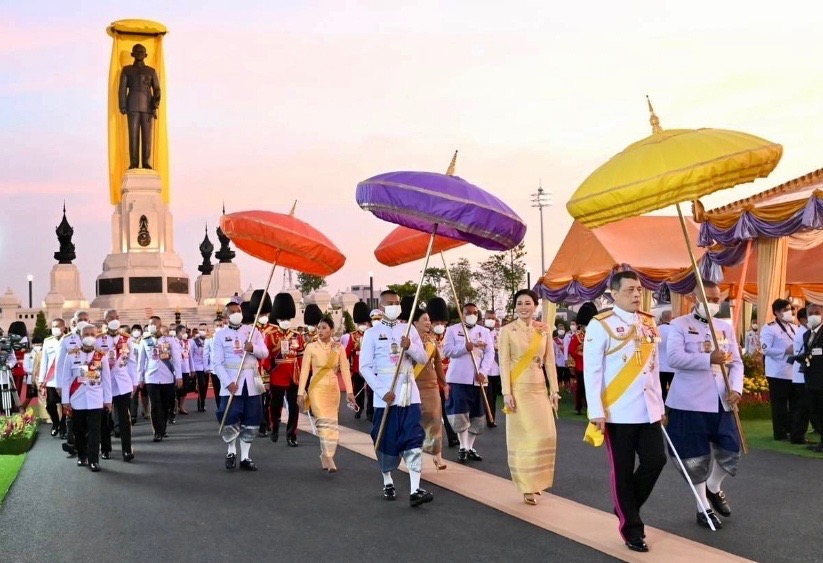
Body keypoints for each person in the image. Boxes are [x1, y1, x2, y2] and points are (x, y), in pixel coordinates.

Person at [583, 271, 666, 553]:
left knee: (656, 460)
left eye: (639, 289)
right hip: (617, 412)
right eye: (630, 290)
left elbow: (652, 370)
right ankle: (632, 528)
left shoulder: (649, 323)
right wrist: (597, 411)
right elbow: (592, 372)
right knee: (622, 471)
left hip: (648, 410)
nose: (636, 294)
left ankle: (624, 505)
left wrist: (660, 406)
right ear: (614, 294)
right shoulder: (600, 324)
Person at [666, 281, 744, 530]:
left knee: (731, 450)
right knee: (694, 457)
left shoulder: (725, 327)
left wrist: (737, 388)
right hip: (689, 403)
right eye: (708, 298)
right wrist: (707, 358)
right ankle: (703, 507)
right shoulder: (679, 325)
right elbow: (674, 359)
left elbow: (737, 363)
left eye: (716, 298)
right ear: (694, 298)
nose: (713, 303)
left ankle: (713, 486)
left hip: (721, 400)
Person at [360, 290, 433, 506]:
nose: (394, 306)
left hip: (409, 393)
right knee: (384, 439)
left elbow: (423, 358)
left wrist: (410, 347)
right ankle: (388, 480)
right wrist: (382, 391)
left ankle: (415, 489)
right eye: (389, 303)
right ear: (381, 307)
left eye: (397, 303)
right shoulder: (372, 334)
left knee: (413, 436)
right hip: (385, 396)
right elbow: (364, 367)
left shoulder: (408, 328)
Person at [499, 289, 560, 506]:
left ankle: (537, 481)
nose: (523, 307)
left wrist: (554, 390)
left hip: (539, 389)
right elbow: (504, 362)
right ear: (515, 307)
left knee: (546, 435)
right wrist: (506, 392)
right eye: (519, 303)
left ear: (535, 306)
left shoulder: (544, 330)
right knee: (525, 439)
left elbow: (550, 361)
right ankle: (526, 486)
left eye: (528, 303)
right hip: (519, 390)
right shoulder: (507, 330)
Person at [213, 299, 269, 471]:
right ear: (226, 315)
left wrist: (252, 348)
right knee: (229, 417)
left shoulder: (253, 332)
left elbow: (264, 353)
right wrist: (228, 382)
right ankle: (231, 452)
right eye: (232, 311)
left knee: (251, 418)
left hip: (251, 381)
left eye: (238, 310)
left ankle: (245, 457)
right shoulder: (220, 335)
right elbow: (216, 363)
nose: (236, 313)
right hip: (231, 383)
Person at [298, 316, 355, 472]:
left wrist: (349, 392)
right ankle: (329, 458)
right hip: (316, 389)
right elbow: (304, 371)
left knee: (332, 424)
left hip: (333, 389)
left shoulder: (338, 348)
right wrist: (300, 392)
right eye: (319, 327)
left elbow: (345, 370)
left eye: (324, 327)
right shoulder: (311, 347)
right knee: (323, 423)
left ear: (332, 330)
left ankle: (325, 454)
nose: (320, 330)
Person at [443, 303, 495, 463]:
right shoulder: (452, 330)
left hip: (478, 379)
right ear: (462, 314)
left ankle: (470, 446)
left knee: (477, 416)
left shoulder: (484, 332)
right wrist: (464, 348)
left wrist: (483, 372)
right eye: (467, 312)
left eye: (474, 312)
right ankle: (462, 448)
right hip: (458, 378)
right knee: (460, 414)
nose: (471, 315)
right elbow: (447, 351)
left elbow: (490, 353)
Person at [60, 322, 112, 472]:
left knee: (95, 431)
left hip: (96, 398)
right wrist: (65, 401)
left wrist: (108, 400)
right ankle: (82, 456)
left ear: (96, 336)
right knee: (79, 430)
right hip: (78, 399)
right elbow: (66, 379)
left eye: (92, 334)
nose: (89, 337)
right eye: (86, 335)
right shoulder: (72, 354)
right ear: (80, 336)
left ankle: (94, 460)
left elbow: (106, 379)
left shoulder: (101, 355)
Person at [97, 309, 137, 462]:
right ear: (105, 321)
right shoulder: (98, 339)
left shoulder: (127, 339)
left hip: (122, 383)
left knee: (124, 419)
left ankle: (126, 450)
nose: (114, 319)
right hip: (103, 384)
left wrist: (134, 382)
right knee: (104, 419)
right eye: (111, 317)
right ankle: (105, 448)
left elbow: (132, 362)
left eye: (117, 317)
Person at [411, 307, 448, 471]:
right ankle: (414, 455)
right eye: (424, 319)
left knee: (435, 418)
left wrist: (444, 383)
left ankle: (437, 455)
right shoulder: (408, 341)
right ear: (415, 323)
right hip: (413, 384)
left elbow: (438, 363)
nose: (428, 322)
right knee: (416, 420)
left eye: (428, 319)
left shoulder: (432, 342)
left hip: (431, 385)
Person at [264, 292, 304, 446]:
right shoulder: (271, 335)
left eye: (287, 319)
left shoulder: (297, 335)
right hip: (277, 374)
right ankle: (274, 427)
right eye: (283, 319)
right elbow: (266, 358)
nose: (285, 321)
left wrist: (302, 377)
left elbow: (300, 357)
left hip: (293, 375)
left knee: (294, 407)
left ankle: (291, 435)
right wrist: (266, 377)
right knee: (275, 406)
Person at [137, 316, 183, 442]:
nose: (152, 325)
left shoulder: (169, 340)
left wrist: (178, 376)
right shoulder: (145, 340)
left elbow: (176, 359)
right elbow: (141, 361)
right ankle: (157, 431)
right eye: (150, 323)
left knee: (166, 404)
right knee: (155, 404)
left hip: (167, 376)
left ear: (160, 324)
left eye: (154, 323)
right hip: (151, 377)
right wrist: (139, 377)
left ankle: (163, 428)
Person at [760, 298, 797, 441]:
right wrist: (785, 351)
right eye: (785, 310)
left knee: (794, 402)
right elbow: (765, 349)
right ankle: (780, 432)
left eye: (790, 309)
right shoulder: (769, 328)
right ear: (777, 312)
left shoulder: (793, 327)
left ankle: (791, 429)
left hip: (793, 371)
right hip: (777, 372)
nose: (789, 312)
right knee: (780, 404)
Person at [56, 310, 90, 457]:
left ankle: (86, 445)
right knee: (71, 415)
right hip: (72, 385)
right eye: (80, 319)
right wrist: (59, 385)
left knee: (88, 417)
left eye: (85, 319)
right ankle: (72, 443)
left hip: (91, 383)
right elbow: (60, 364)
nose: (83, 321)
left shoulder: (94, 337)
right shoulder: (67, 339)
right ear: (74, 322)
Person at [428, 297, 459, 448]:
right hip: (432, 379)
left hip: (447, 379)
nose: (439, 325)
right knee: (433, 413)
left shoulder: (450, 336)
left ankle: (453, 437)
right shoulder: (425, 338)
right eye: (436, 323)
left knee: (449, 410)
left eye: (442, 323)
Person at [798, 304, 823, 453]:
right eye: (811, 313)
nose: (814, 316)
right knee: (816, 411)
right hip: (811, 378)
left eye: (817, 313)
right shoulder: (807, 334)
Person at [341, 302, 371, 419]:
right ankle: (358, 409)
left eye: (363, 323)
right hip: (356, 368)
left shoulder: (372, 334)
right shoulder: (353, 336)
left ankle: (370, 412)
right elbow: (347, 352)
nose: (362, 325)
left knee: (370, 392)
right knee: (358, 390)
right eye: (360, 323)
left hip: (370, 368)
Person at [39, 318, 67, 438]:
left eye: (58, 326)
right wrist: (41, 379)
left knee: (65, 404)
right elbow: (44, 361)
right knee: (50, 404)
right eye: (53, 326)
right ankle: (55, 423)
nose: (55, 328)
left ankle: (63, 427)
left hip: (65, 379)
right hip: (51, 379)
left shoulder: (69, 340)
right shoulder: (48, 341)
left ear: (64, 328)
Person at [570, 302, 598, 415]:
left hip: (594, 365)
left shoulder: (596, 332)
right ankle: (578, 407)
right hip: (581, 366)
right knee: (580, 388)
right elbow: (572, 350)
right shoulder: (577, 335)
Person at [790, 308, 813, 445]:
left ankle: (798, 434)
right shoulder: (804, 333)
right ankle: (797, 435)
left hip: (802, 375)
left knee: (803, 408)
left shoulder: (804, 331)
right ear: (804, 319)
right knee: (803, 408)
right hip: (802, 375)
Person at [484, 310, 502, 427]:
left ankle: (491, 418)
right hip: (484, 369)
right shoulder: (480, 332)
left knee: (493, 396)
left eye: (493, 318)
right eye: (489, 318)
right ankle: (487, 418)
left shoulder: (499, 334)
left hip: (496, 369)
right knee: (486, 395)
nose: (491, 320)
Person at [128, 324, 148, 424]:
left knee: (145, 393)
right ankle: (133, 415)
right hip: (132, 371)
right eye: (134, 329)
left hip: (144, 371)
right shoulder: (128, 341)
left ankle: (147, 411)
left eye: (138, 329)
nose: (136, 331)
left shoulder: (145, 340)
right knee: (134, 395)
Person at [175, 325, 194, 417]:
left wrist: (192, 368)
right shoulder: (173, 341)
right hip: (176, 369)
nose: (184, 334)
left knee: (184, 389)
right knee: (176, 389)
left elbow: (190, 356)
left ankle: (181, 406)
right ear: (178, 332)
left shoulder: (187, 342)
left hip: (185, 368)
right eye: (183, 332)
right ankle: (174, 406)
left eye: (185, 332)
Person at [205, 317, 224, 410]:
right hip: (215, 369)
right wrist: (206, 366)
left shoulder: (227, 337)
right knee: (217, 390)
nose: (219, 327)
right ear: (213, 327)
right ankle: (220, 408)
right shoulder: (210, 339)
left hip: (226, 368)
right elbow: (206, 354)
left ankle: (227, 408)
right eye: (217, 326)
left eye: (221, 325)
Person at [191, 323, 209, 412]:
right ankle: (201, 403)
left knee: (205, 386)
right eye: (201, 329)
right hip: (197, 366)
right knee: (201, 384)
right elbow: (190, 354)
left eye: (204, 329)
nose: (203, 331)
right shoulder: (194, 341)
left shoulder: (210, 340)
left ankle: (203, 401)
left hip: (207, 366)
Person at [658, 310, 674, 401]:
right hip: (672, 366)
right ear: (671, 318)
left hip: (660, 366)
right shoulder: (674, 330)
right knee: (673, 390)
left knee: (661, 390)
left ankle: (663, 408)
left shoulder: (656, 329)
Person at [553, 325, 571, 392]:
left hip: (567, 361)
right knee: (559, 375)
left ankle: (567, 387)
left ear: (565, 330)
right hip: (558, 361)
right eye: (559, 329)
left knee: (567, 375)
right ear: (557, 330)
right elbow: (553, 351)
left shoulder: (568, 338)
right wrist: (554, 362)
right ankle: (558, 388)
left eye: (562, 329)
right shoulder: (554, 340)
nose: (561, 330)